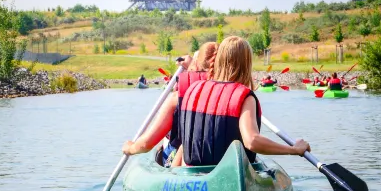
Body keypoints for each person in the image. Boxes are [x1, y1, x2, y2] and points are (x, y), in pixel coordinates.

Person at [171, 36, 311, 167]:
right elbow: (252, 141)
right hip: (228, 174)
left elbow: (187, 141)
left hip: (192, 175)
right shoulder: (244, 97)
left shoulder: (193, 89)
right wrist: (294, 150)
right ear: (246, 64)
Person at [122, 42, 218, 167]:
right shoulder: (231, 93)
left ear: (196, 64)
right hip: (217, 160)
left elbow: (146, 144)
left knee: (161, 150)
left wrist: (130, 148)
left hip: (183, 162)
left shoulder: (178, 97)